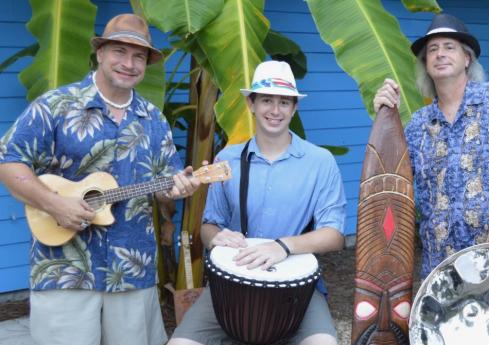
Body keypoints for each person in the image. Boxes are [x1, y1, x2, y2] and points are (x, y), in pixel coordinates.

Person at [0, 14, 201, 345]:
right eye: (120, 51)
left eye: (139, 56)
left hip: (132, 270)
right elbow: (10, 162)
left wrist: (178, 189)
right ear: (100, 53)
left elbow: (166, 187)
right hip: (64, 268)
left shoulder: (154, 119)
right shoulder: (56, 106)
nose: (129, 63)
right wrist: (54, 203)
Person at [168, 60, 347, 345]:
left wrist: (282, 246)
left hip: (296, 288)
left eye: (284, 102)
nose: (275, 111)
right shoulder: (227, 160)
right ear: (251, 104)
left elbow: (334, 235)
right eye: (266, 100)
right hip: (232, 284)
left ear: (294, 107)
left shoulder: (320, 161)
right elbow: (208, 226)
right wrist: (217, 237)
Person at [373, 13, 489, 279]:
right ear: (425, 64)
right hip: (442, 269)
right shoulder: (417, 125)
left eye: (449, 47)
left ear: (467, 58)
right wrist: (384, 116)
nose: (440, 54)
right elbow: (390, 182)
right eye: (432, 50)